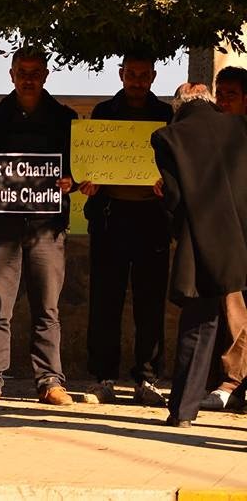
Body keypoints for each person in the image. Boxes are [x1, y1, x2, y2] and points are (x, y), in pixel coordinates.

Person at [0, 47, 77, 406]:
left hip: (47, 228)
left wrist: (71, 182)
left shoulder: (66, 119)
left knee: (48, 307)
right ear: (11, 75)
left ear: (45, 75)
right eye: (21, 72)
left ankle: (49, 381)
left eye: (35, 72)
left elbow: (79, 171)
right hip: (1, 228)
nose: (28, 78)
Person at [78, 55, 173, 407]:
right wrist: (90, 182)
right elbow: (88, 162)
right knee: (105, 301)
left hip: (152, 218)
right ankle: (103, 378)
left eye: (143, 75)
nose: (137, 80)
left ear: (153, 76)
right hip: (110, 217)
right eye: (131, 74)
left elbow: (174, 165)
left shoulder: (166, 116)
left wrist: (169, 185)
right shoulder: (103, 112)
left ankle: (147, 379)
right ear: (121, 74)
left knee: (150, 303)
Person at [151, 83, 247, 427]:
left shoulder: (168, 137)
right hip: (244, 237)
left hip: (201, 242)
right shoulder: (240, 126)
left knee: (198, 326)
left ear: (178, 106)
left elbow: (175, 200)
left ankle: (183, 411)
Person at [198, 66, 247, 411]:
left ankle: (235, 383)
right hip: (229, 238)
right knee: (233, 305)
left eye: (231, 94)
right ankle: (232, 381)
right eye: (220, 93)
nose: (223, 100)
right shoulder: (212, 136)